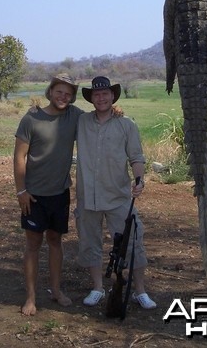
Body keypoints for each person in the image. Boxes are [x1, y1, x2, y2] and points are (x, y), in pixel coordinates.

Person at [75, 76, 156, 310]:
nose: (100, 98)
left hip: (119, 197)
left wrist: (140, 180)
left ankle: (139, 291)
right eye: (96, 94)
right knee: (90, 243)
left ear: (113, 96)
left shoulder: (126, 124)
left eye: (105, 94)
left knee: (133, 242)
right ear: (91, 98)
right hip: (87, 197)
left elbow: (136, 157)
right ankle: (97, 288)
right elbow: (58, 112)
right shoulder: (81, 122)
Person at [13, 73, 81, 316]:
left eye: (68, 93)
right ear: (50, 92)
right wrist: (21, 190)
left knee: (55, 241)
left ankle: (55, 291)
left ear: (72, 97)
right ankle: (30, 297)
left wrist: (116, 112)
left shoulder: (75, 116)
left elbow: (99, 119)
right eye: (59, 92)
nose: (63, 97)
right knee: (33, 244)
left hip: (59, 193)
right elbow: (19, 156)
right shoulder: (31, 118)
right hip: (33, 195)